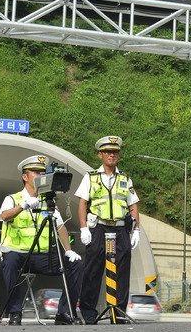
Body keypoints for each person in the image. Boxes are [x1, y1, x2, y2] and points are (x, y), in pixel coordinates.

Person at [0, 155, 84, 326]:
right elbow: (3, 216)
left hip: (42, 257)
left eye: (43, 172)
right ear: (25, 177)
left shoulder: (48, 201)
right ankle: (15, 312)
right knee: (10, 262)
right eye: (36, 172)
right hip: (18, 254)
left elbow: (60, 227)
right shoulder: (13, 198)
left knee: (76, 264)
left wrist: (68, 250)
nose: (40, 175)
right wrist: (22, 206)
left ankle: (65, 312)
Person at [75, 136, 141, 324]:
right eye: (108, 152)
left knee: (122, 272)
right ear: (100, 154)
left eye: (115, 152)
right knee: (93, 271)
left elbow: (133, 205)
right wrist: (83, 228)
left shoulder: (125, 179)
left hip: (120, 230)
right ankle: (89, 313)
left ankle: (118, 313)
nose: (112, 155)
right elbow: (82, 203)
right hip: (98, 229)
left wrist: (136, 230)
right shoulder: (91, 177)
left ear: (119, 155)